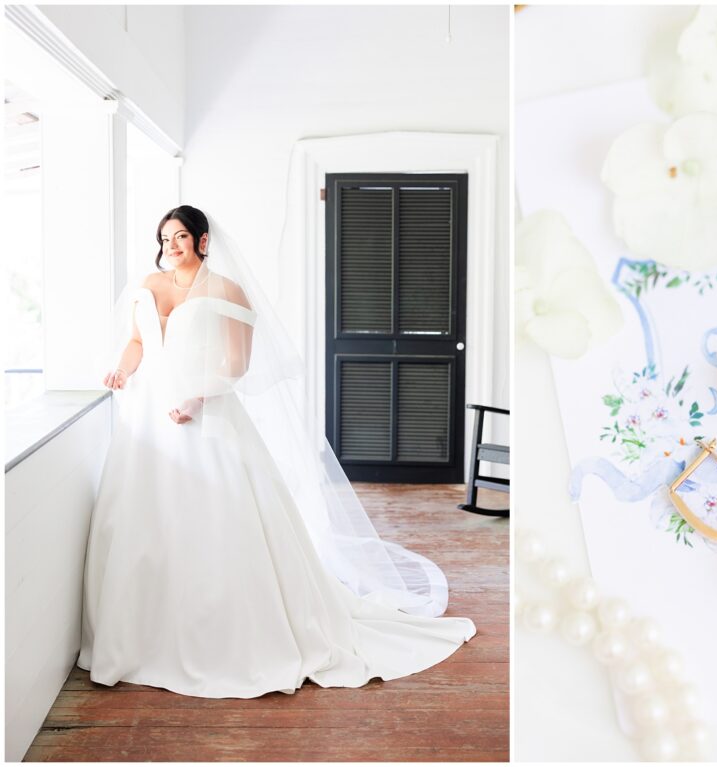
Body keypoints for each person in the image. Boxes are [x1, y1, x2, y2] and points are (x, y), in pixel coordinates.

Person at [80, 205, 476, 698]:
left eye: (181, 236)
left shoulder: (226, 290)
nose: (172, 245)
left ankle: (224, 636)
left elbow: (238, 363)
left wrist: (198, 396)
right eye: (165, 237)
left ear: (203, 240)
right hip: (146, 420)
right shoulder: (148, 284)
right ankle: (143, 633)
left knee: (216, 521)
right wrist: (122, 369)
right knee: (145, 521)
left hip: (205, 414)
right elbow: (138, 340)